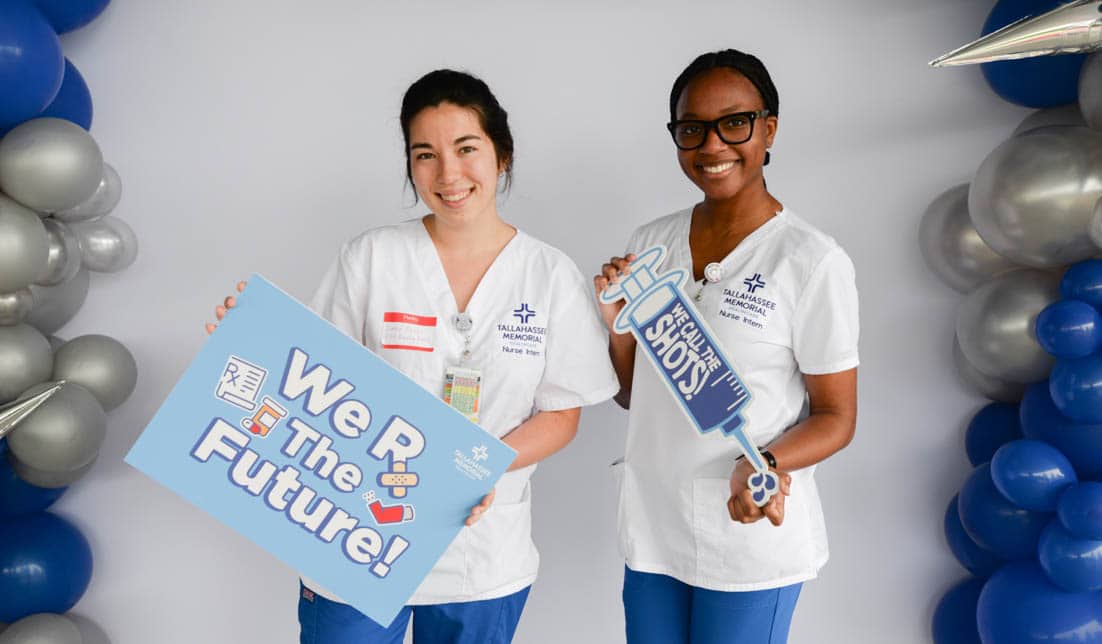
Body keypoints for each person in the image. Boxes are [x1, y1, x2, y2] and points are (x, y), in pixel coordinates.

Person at [211, 69, 618, 644]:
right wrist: (249, 343)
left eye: (466, 148)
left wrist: (474, 467)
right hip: (357, 533)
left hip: (482, 550)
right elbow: (305, 380)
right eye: (424, 154)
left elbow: (562, 414)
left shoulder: (548, 274)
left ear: (503, 155)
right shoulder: (372, 258)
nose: (448, 174)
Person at [593, 49, 859, 644]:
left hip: (749, 528)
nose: (712, 146)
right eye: (692, 130)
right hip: (655, 530)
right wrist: (616, 323)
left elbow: (837, 417)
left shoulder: (811, 261)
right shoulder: (651, 242)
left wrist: (761, 464)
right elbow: (639, 396)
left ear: (769, 128)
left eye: (734, 123)